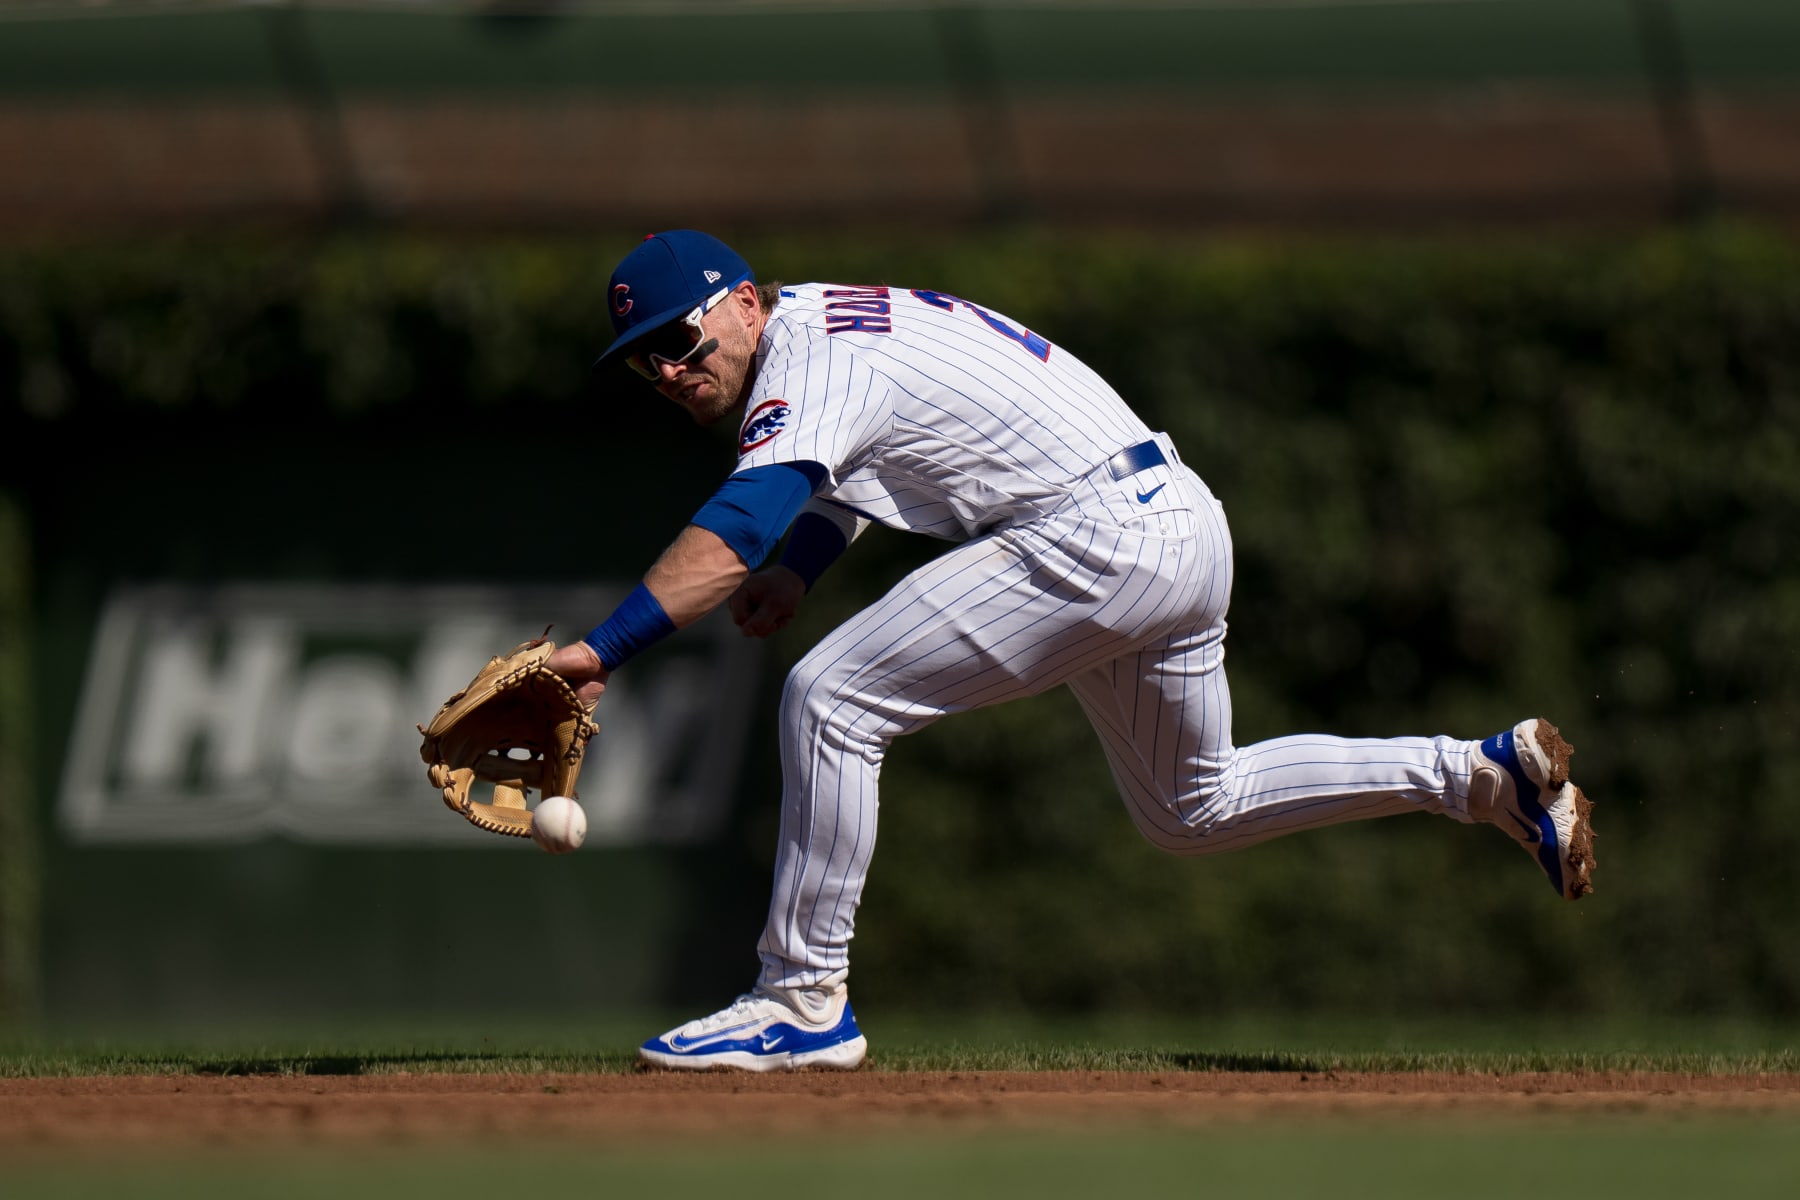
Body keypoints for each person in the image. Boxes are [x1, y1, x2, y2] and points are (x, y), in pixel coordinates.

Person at [545, 230, 1597, 1073]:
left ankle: (800, 999)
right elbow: (845, 470)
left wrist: (599, 653)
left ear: (740, 299)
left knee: (831, 697)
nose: (675, 373)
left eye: (684, 343)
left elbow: (739, 524)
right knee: (1195, 809)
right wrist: (803, 568)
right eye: (649, 366)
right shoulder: (828, 325)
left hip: (1094, 532)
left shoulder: (810, 354)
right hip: (1177, 520)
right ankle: (1482, 777)